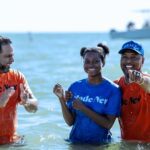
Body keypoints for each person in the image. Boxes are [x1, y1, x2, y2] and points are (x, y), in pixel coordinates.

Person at [53, 44, 121, 144]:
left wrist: (83, 108)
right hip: (75, 142)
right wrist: (61, 99)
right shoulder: (75, 87)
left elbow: (108, 124)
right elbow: (70, 122)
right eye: (87, 62)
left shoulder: (113, 90)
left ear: (103, 62)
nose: (91, 65)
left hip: (100, 145)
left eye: (96, 61)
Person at [0, 36, 38, 145]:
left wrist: (27, 102)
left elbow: (34, 108)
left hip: (12, 141)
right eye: (8, 56)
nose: (12, 60)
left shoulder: (17, 77)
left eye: (12, 56)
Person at [115, 41, 150, 142]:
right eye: (125, 57)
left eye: (134, 57)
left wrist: (140, 80)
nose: (128, 61)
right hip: (125, 144)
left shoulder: (146, 81)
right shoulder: (116, 85)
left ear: (142, 60)